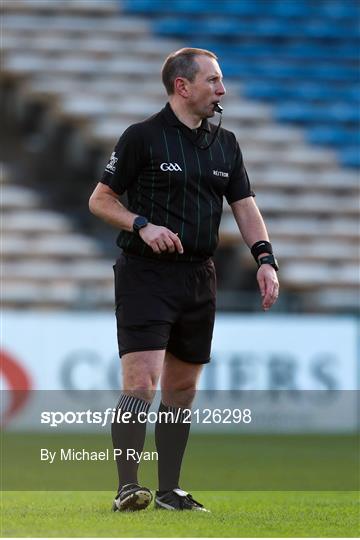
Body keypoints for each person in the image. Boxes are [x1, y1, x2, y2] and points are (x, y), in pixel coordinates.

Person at [89, 47, 279, 513]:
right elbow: (100, 199)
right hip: (145, 276)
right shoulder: (142, 137)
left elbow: (244, 206)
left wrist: (266, 259)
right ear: (182, 86)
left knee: (182, 390)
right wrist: (142, 225)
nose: (222, 90)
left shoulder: (226, 144)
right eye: (213, 81)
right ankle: (127, 488)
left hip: (199, 276)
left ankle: (170, 490)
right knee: (141, 382)